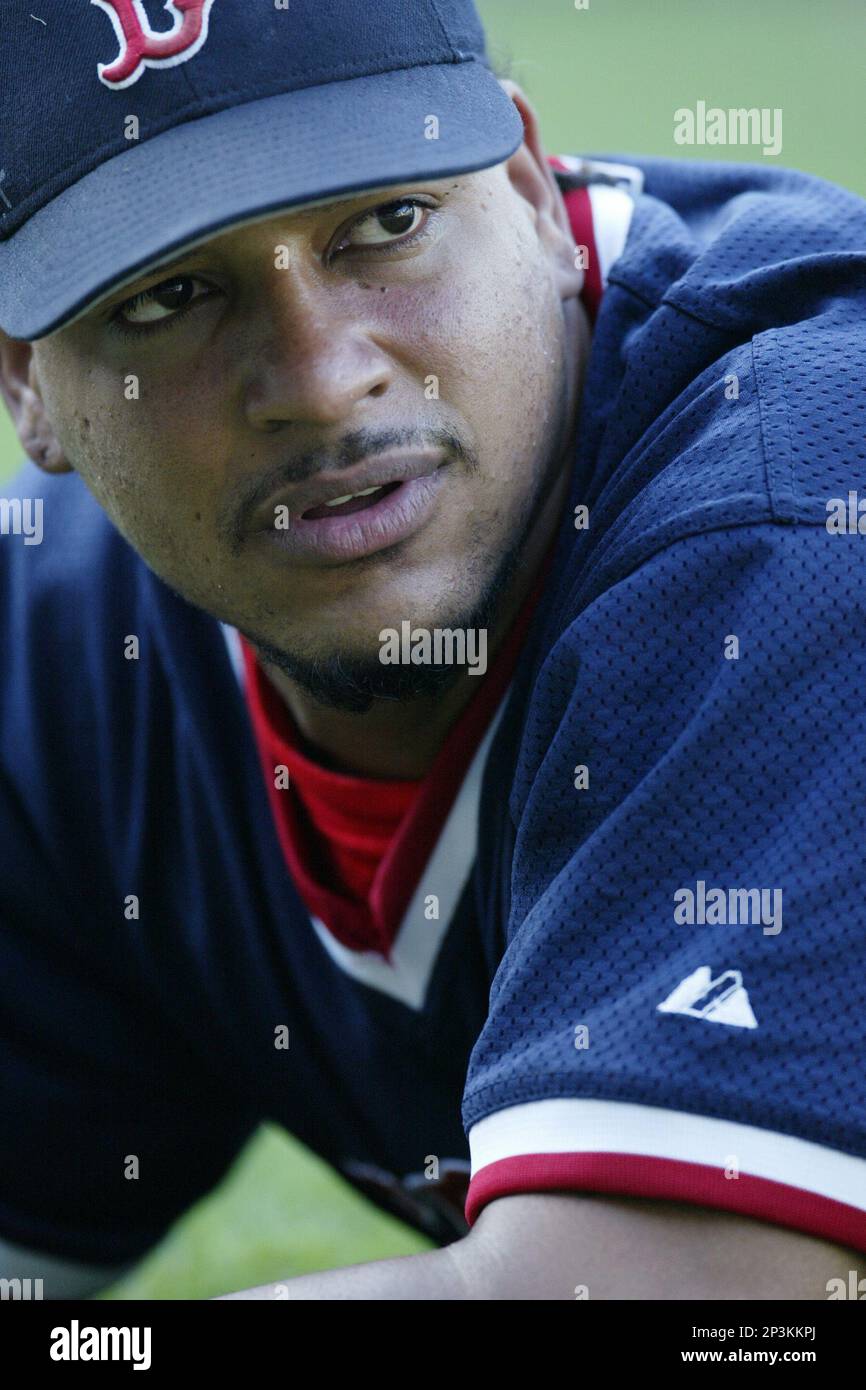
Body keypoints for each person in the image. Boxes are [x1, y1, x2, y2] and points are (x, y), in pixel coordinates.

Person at [0, 0, 863, 1300]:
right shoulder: (75, 660)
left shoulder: (797, 504)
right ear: (25, 382)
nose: (321, 375)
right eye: (171, 294)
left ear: (523, 178)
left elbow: (684, 1305)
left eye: (384, 223)